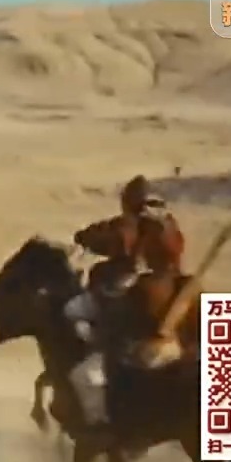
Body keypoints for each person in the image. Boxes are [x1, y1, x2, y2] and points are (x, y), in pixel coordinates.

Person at [64, 174, 184, 426]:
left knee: (73, 313)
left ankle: (98, 422)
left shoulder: (128, 225)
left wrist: (85, 238)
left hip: (132, 298)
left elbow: (101, 237)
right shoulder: (170, 226)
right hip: (167, 292)